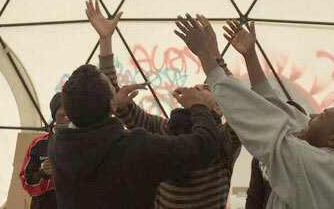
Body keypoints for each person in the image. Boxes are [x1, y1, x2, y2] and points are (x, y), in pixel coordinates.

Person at [174, 15, 334, 209]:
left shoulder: (312, 164)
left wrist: (205, 54)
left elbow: (254, 113)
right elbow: (273, 106)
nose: (312, 116)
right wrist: (249, 56)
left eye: (322, 117)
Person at [84, 0, 241, 208]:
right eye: (198, 86)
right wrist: (105, 40)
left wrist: (213, 55)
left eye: (206, 88)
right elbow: (115, 100)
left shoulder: (222, 141)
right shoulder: (165, 130)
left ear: (219, 108)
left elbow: (239, 105)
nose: (197, 88)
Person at [48, 62, 221, 208]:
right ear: (112, 105)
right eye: (112, 91)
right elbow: (205, 146)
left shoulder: (57, 147)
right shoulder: (136, 149)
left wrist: (105, 40)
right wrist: (198, 106)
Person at [19, 92, 70, 209]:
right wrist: (44, 173)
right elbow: (27, 184)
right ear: (54, 113)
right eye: (62, 107)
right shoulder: (38, 144)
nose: (67, 111)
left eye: (70, 107)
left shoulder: (83, 141)